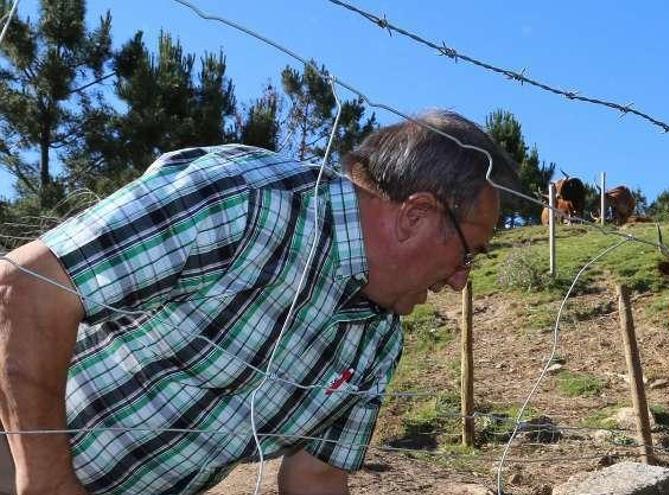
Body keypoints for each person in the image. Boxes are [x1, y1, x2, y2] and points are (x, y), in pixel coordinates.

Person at [0, 110, 518, 494]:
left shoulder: (377, 340)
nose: (459, 281)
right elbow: (22, 287)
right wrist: (48, 484)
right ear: (417, 215)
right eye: (467, 252)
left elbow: (317, 476)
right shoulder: (245, 201)